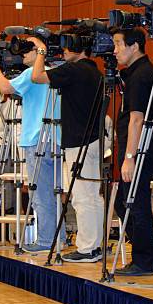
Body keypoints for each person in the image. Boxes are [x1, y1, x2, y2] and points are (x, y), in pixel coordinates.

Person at [31, 26, 105, 263]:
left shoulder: (73, 70)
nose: (62, 49)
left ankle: (87, 248)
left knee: (83, 197)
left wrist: (41, 51)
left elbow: (37, 77)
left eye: (66, 44)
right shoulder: (94, 71)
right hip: (93, 139)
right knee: (92, 196)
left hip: (79, 141)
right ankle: (93, 245)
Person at [0, 44, 64, 253]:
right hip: (55, 137)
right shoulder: (54, 72)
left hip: (36, 137)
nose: (22, 54)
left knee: (41, 194)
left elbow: (6, 89)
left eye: (27, 50)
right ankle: (59, 237)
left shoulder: (32, 74)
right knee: (54, 192)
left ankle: (47, 240)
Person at [112, 27, 153, 276]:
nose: (115, 50)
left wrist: (130, 157)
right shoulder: (136, 73)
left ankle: (145, 260)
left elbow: (136, 120)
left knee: (134, 203)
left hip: (139, 150)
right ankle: (147, 255)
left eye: (119, 44)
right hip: (138, 149)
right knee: (126, 203)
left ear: (135, 46)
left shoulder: (142, 75)